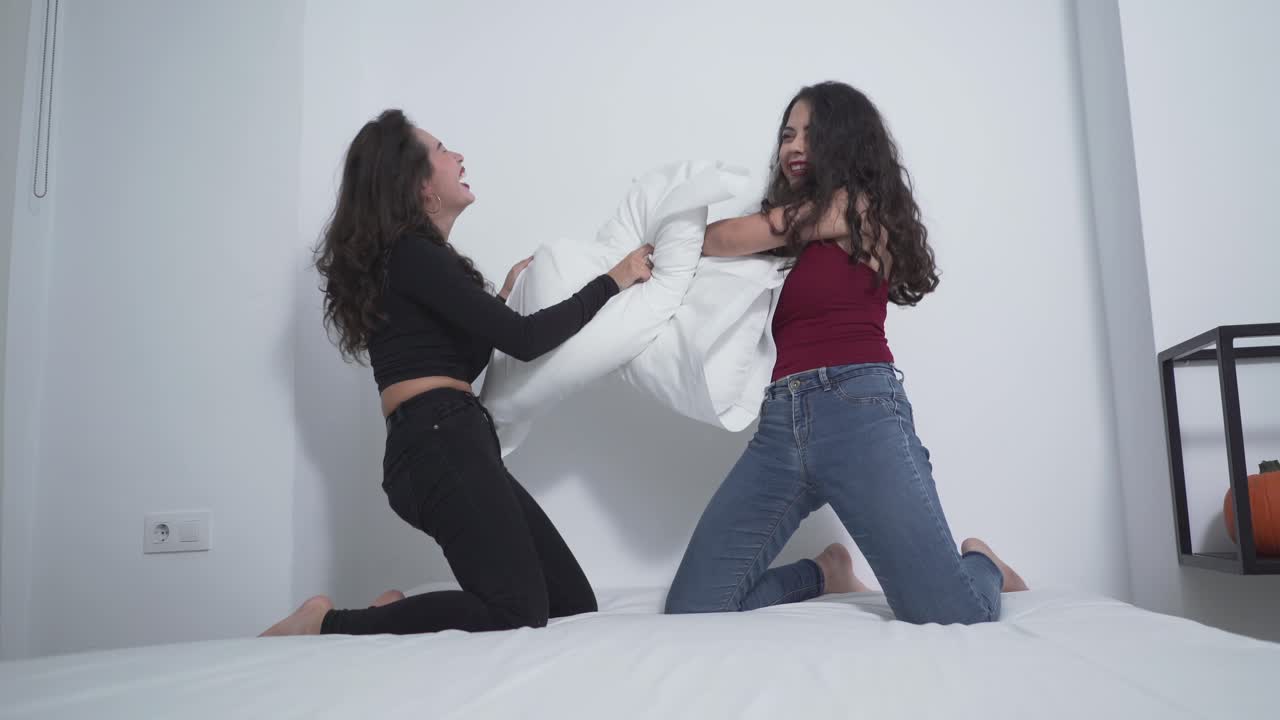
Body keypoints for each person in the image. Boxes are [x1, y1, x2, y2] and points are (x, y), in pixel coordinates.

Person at [262, 109, 654, 636]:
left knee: (573, 602)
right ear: (418, 182)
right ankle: (325, 622)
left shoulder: (418, 260)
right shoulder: (412, 254)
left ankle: (384, 616)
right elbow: (525, 340)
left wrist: (498, 299)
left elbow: (461, 362)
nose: (459, 157)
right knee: (516, 611)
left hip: (449, 439)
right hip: (438, 442)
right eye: (443, 150)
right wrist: (614, 279)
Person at [664, 82, 1026, 625]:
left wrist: (664, 245)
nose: (793, 146)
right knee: (695, 607)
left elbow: (720, 238)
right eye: (787, 135)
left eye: (811, 134)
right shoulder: (795, 240)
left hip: (860, 416)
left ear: (847, 143)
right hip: (780, 427)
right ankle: (825, 573)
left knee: (954, 614)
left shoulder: (856, 206)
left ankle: (982, 562)